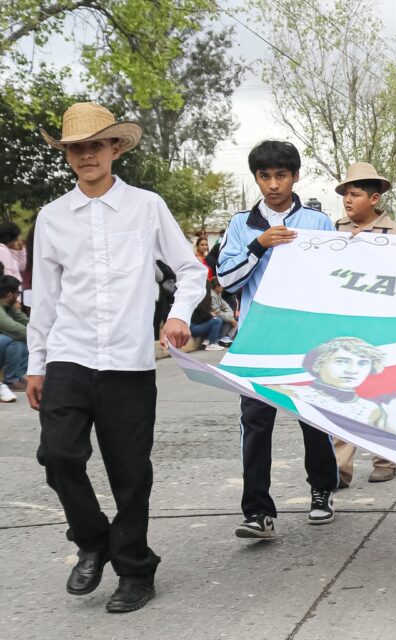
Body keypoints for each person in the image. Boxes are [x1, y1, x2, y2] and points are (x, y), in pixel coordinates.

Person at [26, 103, 204, 612]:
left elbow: (190, 269)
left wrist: (179, 314)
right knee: (58, 455)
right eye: (76, 148)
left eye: (95, 145)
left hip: (128, 360)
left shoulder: (147, 207)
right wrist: (37, 363)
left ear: (114, 149)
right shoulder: (52, 217)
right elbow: (47, 295)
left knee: (129, 471)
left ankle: (135, 571)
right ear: (66, 155)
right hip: (69, 354)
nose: (86, 155)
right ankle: (91, 539)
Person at [217, 140, 339, 540]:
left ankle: (322, 490)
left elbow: (333, 280)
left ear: (295, 176)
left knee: (312, 418)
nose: (273, 184)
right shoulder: (241, 225)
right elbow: (227, 280)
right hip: (257, 339)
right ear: (256, 178)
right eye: (264, 176)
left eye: (281, 175)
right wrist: (259, 244)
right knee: (254, 423)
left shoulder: (318, 223)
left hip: (306, 338)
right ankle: (257, 511)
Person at [330, 162, 396, 485]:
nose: (348, 200)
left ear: (374, 199)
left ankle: (385, 460)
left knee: (378, 394)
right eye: (346, 193)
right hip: (345, 322)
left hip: (381, 324)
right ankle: (340, 467)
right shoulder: (335, 230)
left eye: (355, 194)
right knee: (342, 394)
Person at [280, 337, 386, 424]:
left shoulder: (371, 410)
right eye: (341, 362)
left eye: (362, 363)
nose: (352, 370)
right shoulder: (289, 393)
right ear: (318, 364)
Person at [0, 275, 28, 402]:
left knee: (28, 337)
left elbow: (25, 321)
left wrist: (40, 331)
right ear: (9, 294)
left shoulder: (9, 307)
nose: (18, 296)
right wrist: (36, 334)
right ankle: (10, 380)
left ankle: (19, 376)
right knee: (16, 339)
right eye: (17, 293)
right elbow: (14, 328)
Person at [188, 282, 225, 352]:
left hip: (194, 326)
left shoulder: (198, 297)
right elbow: (203, 315)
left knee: (216, 319)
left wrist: (210, 315)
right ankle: (211, 343)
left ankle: (207, 341)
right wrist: (211, 315)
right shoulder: (202, 299)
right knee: (217, 320)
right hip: (193, 328)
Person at [209, 281, 237, 347]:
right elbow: (217, 312)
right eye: (222, 286)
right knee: (226, 321)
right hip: (211, 318)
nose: (223, 288)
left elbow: (226, 306)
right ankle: (221, 338)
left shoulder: (218, 294)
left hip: (220, 315)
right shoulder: (211, 296)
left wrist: (231, 316)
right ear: (217, 287)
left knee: (235, 321)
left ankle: (227, 338)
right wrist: (230, 319)